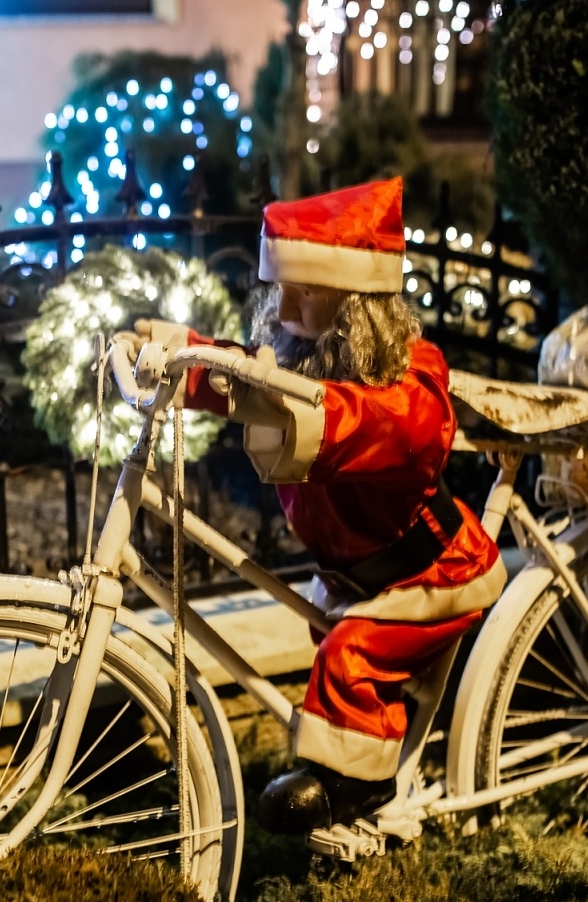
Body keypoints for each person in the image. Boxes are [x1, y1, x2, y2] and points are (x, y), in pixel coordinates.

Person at [140, 177, 509, 835]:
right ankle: (364, 755)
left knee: (353, 653)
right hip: (353, 569)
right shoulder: (302, 360)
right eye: (281, 287)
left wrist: (307, 409)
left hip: (430, 574)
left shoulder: (409, 370)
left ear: (357, 305)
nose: (283, 306)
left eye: (304, 291)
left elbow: (410, 425)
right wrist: (179, 355)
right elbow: (252, 376)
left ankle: (358, 788)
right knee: (338, 644)